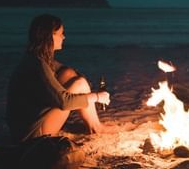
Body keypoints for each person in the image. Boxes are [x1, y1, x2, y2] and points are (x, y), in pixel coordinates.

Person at [6, 14, 114, 143]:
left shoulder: (36, 58)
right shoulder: (38, 64)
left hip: (23, 127)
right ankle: (96, 127)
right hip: (31, 135)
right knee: (79, 84)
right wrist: (97, 97)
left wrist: (82, 81)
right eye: (61, 33)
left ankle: (95, 125)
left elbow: (67, 72)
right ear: (50, 35)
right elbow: (65, 102)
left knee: (69, 74)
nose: (64, 37)